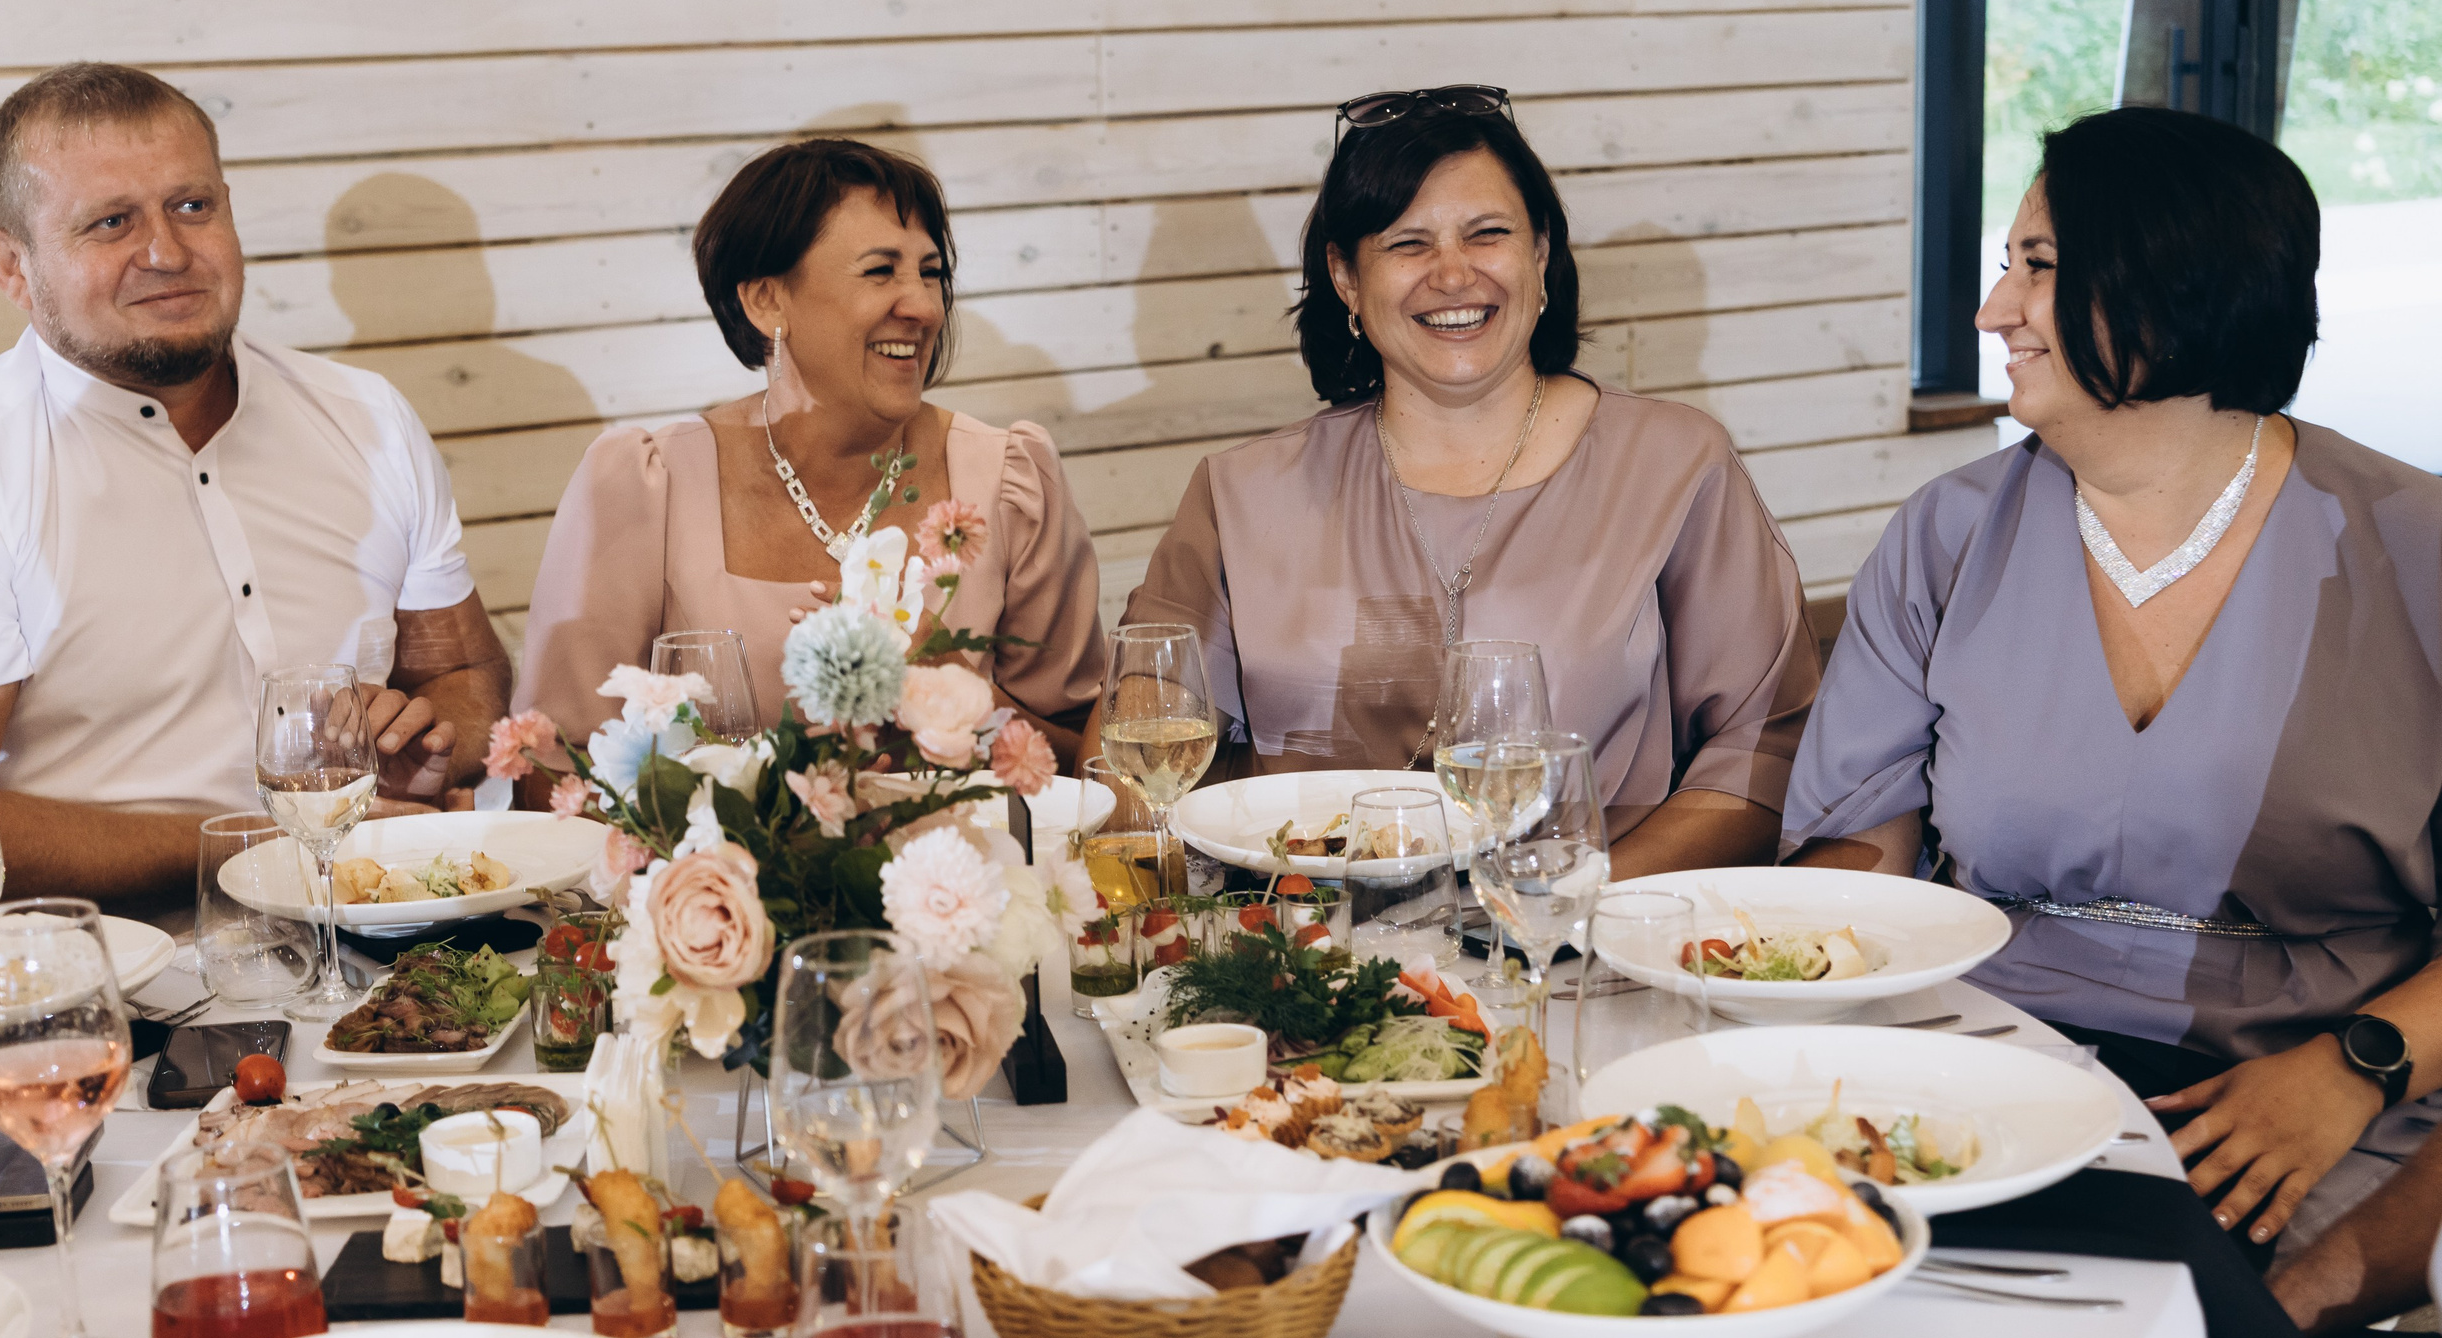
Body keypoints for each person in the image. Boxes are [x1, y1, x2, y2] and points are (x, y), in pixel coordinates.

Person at [1785, 105, 2442, 1255]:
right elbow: (1859, 853)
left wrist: (2352, 1073)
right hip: (1989, 1060)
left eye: (2036, 267)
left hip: (2319, 1091)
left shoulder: (2413, 547)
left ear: (2174, 281)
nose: (1992, 312)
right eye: (2006, 268)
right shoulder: (1949, 535)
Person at [1116, 85, 1818, 877]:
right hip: (1300, 957)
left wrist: (1568, 905)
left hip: (1579, 957)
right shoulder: (1239, 492)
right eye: (1408, 243)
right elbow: (1139, 737)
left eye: (1488, 234)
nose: (1453, 274)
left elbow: (1764, 752)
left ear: (1541, 253)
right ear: (1346, 278)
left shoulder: (1675, 465)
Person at [0, 63, 511, 913]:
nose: (167, 253)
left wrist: (434, 737)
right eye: (111, 222)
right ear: (12, 266)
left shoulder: (367, 416)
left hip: (386, 939)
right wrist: (261, 847)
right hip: (110, 991)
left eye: (192, 206)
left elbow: (463, 666)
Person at [515, 138, 1107, 763]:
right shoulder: (644, 485)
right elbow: (554, 766)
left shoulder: (1009, 480)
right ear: (766, 298)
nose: (924, 307)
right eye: (881, 271)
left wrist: (947, 684)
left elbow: (1089, 762)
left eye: (931, 273)